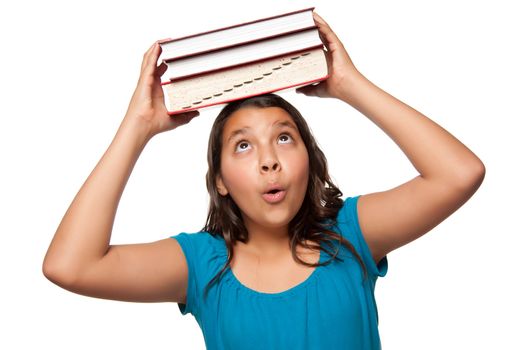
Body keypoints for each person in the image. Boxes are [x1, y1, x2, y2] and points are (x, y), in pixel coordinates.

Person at [42, 12, 485, 350]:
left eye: (284, 138)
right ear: (220, 181)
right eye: (243, 146)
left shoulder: (352, 235)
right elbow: (70, 265)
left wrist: (350, 84)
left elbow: (459, 173)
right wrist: (137, 125)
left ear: (308, 160)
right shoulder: (201, 266)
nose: (269, 161)